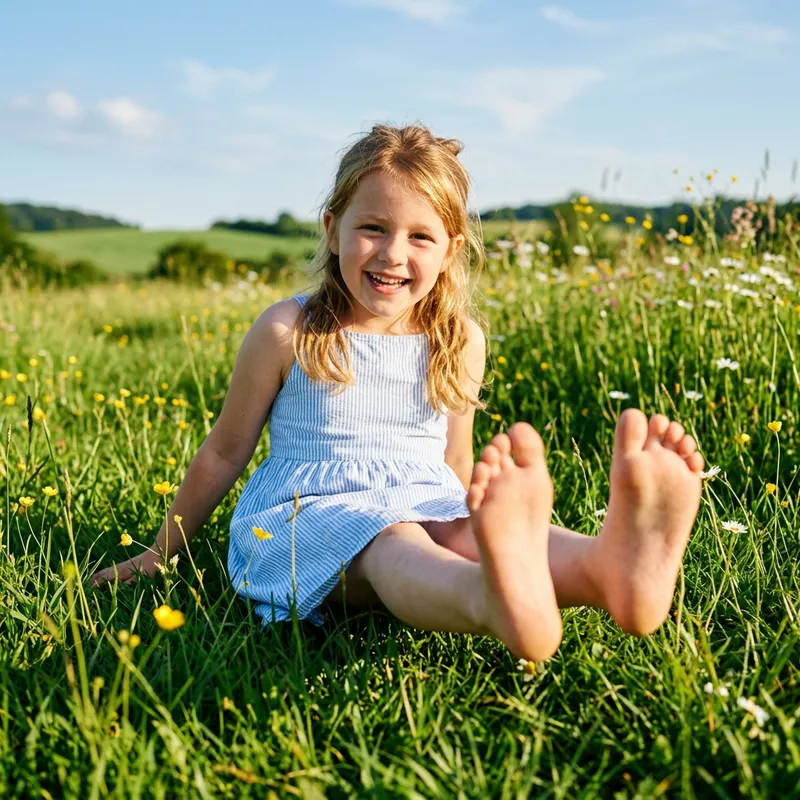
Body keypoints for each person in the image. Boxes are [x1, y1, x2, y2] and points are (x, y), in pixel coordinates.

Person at [91, 124, 705, 662]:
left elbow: (454, 465)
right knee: (395, 538)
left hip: (422, 495)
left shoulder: (459, 339)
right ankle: (490, 600)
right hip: (306, 519)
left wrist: (473, 520)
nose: (392, 254)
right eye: (373, 228)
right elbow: (225, 453)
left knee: (458, 527)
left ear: (450, 252)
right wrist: (158, 553)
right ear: (333, 231)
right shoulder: (290, 329)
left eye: (419, 237)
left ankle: (608, 572)